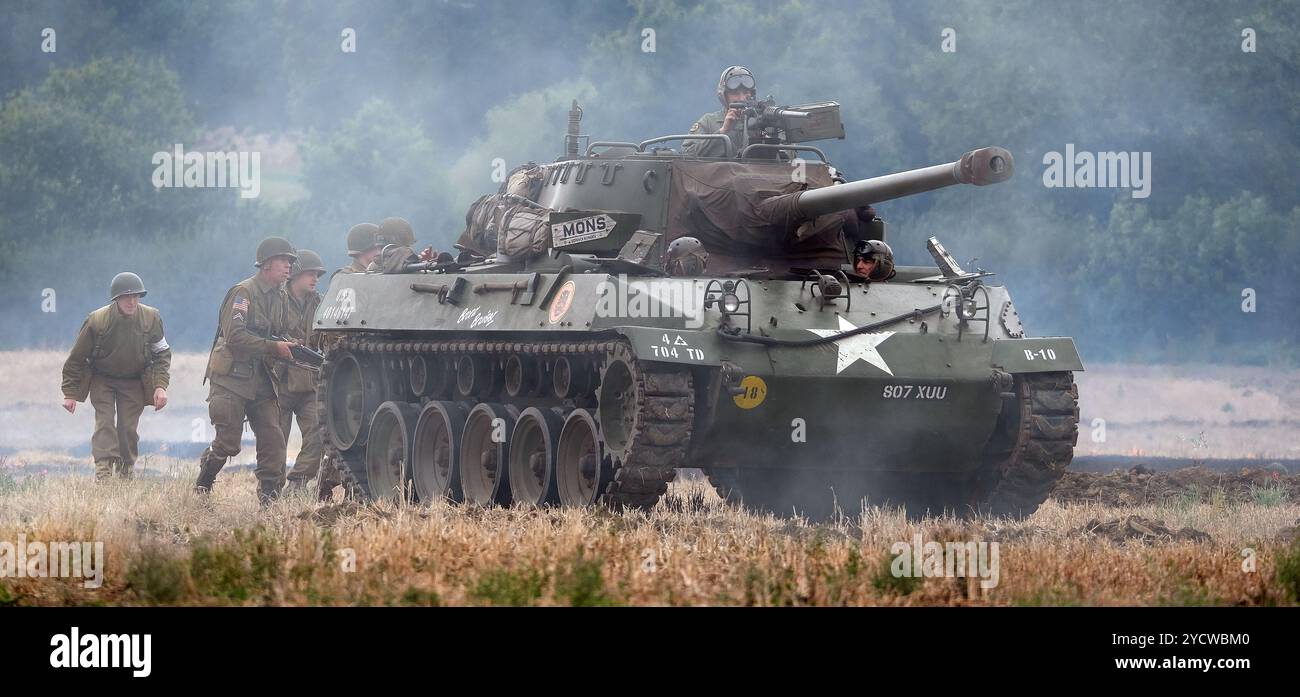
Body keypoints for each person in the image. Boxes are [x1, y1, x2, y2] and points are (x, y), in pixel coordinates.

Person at [195, 237, 297, 504]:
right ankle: (203, 484)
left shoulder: (281, 296)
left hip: (261, 378)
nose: (288, 267)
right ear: (266, 265)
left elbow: (278, 332)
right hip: (231, 378)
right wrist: (274, 347)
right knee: (228, 444)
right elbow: (235, 336)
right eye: (283, 261)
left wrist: (289, 345)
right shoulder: (243, 293)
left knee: (274, 441)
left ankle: (269, 502)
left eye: (290, 262)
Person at [61, 272, 171, 480]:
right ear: (116, 299)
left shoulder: (151, 318)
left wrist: (160, 386)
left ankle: (126, 472)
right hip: (103, 379)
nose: (132, 301)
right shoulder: (97, 320)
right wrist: (70, 392)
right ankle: (103, 472)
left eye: (136, 296)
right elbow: (76, 358)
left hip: (134, 381)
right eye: (126, 297)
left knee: (128, 428)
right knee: (104, 423)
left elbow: (162, 353)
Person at [275, 249, 332, 496]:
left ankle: (298, 483)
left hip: (309, 381)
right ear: (295, 275)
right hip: (279, 381)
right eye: (310, 273)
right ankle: (271, 488)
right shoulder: (275, 300)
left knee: (320, 432)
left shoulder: (319, 304)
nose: (315, 279)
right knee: (274, 440)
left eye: (317, 275)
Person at [683, 65, 758, 158]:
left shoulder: (762, 121)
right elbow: (687, 154)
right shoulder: (709, 121)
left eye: (746, 93)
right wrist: (723, 131)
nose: (742, 98)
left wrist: (766, 135)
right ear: (724, 96)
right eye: (735, 93)